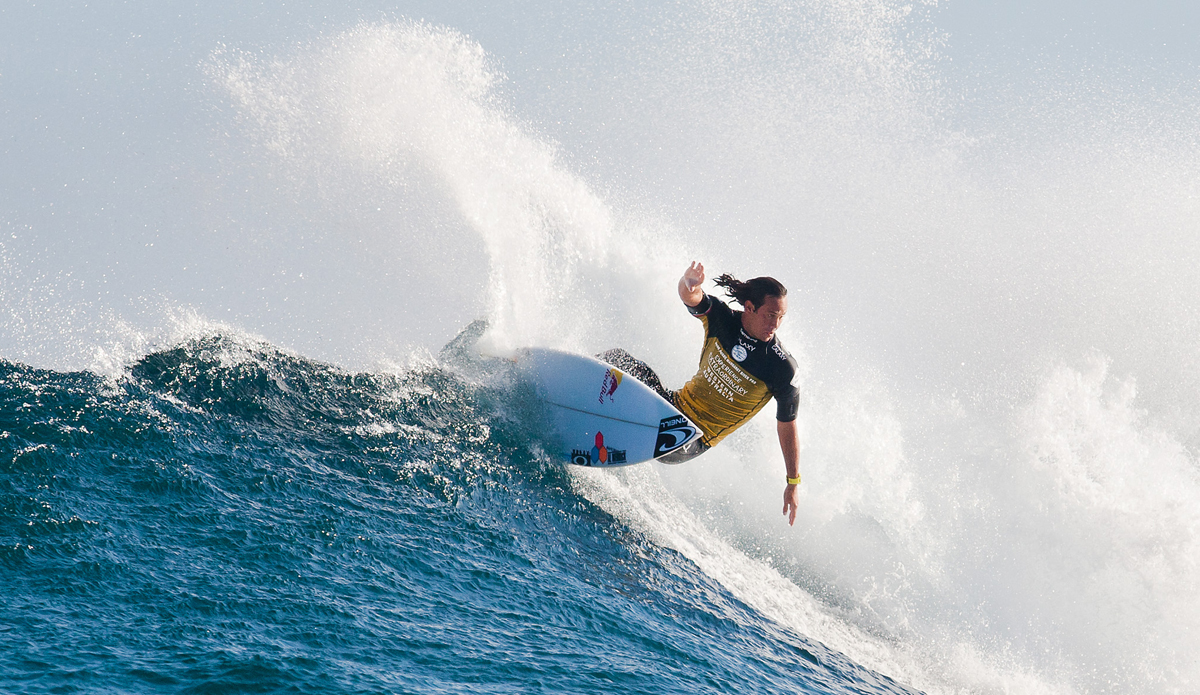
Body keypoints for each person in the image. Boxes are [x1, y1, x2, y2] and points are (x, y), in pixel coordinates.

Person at [599, 261, 801, 525]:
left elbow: (788, 424)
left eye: (781, 317)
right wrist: (688, 284)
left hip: (690, 438)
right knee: (618, 360)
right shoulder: (722, 321)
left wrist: (793, 482)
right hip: (671, 405)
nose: (776, 324)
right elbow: (692, 298)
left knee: (660, 427)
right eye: (770, 315)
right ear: (749, 308)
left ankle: (605, 438)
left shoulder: (781, 368)